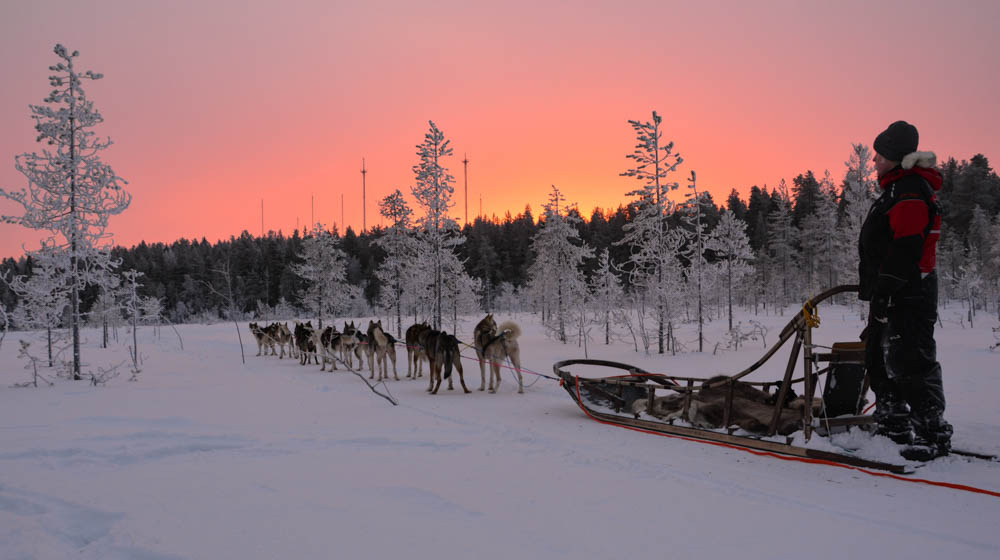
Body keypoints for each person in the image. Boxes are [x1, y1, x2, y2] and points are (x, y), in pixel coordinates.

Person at [859, 120, 952, 461]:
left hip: (909, 291)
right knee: (878, 357)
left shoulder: (910, 190)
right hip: (892, 290)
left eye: (879, 155)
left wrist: (887, 289)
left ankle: (931, 432)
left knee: (910, 360)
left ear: (896, 157)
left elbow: (907, 246)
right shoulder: (897, 189)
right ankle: (893, 423)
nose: (874, 161)